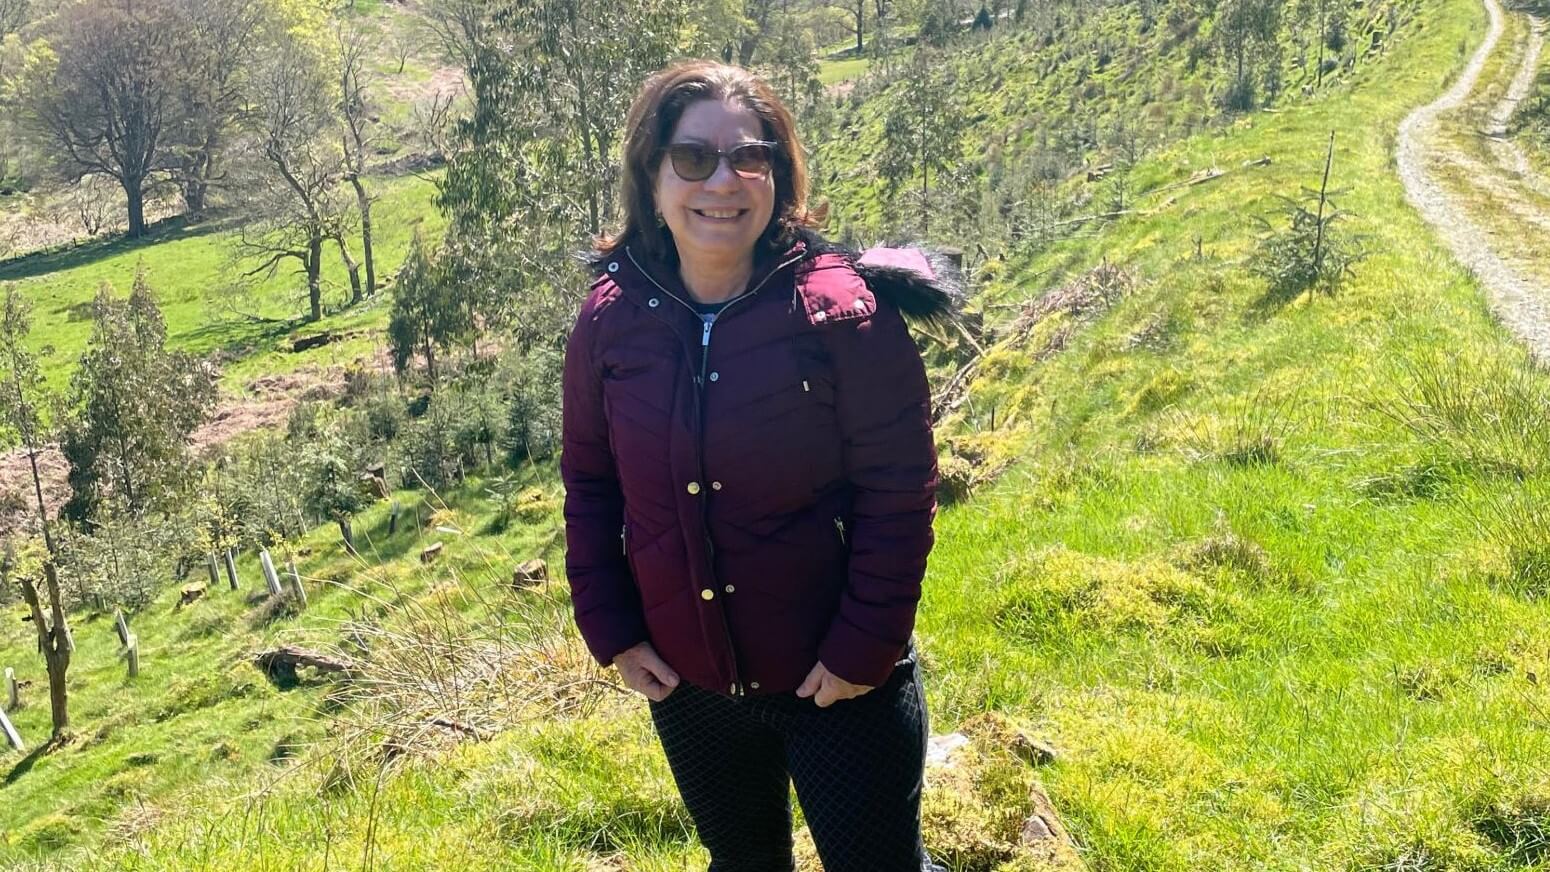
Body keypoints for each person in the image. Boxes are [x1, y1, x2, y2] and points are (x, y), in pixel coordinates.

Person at [560, 59, 959, 871]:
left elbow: (899, 492)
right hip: (690, 683)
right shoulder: (610, 319)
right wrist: (613, 630)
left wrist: (862, 648)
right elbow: (591, 484)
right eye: (693, 157)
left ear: (779, 173)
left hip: (838, 683)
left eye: (750, 156)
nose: (723, 181)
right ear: (651, 171)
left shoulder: (844, 312)